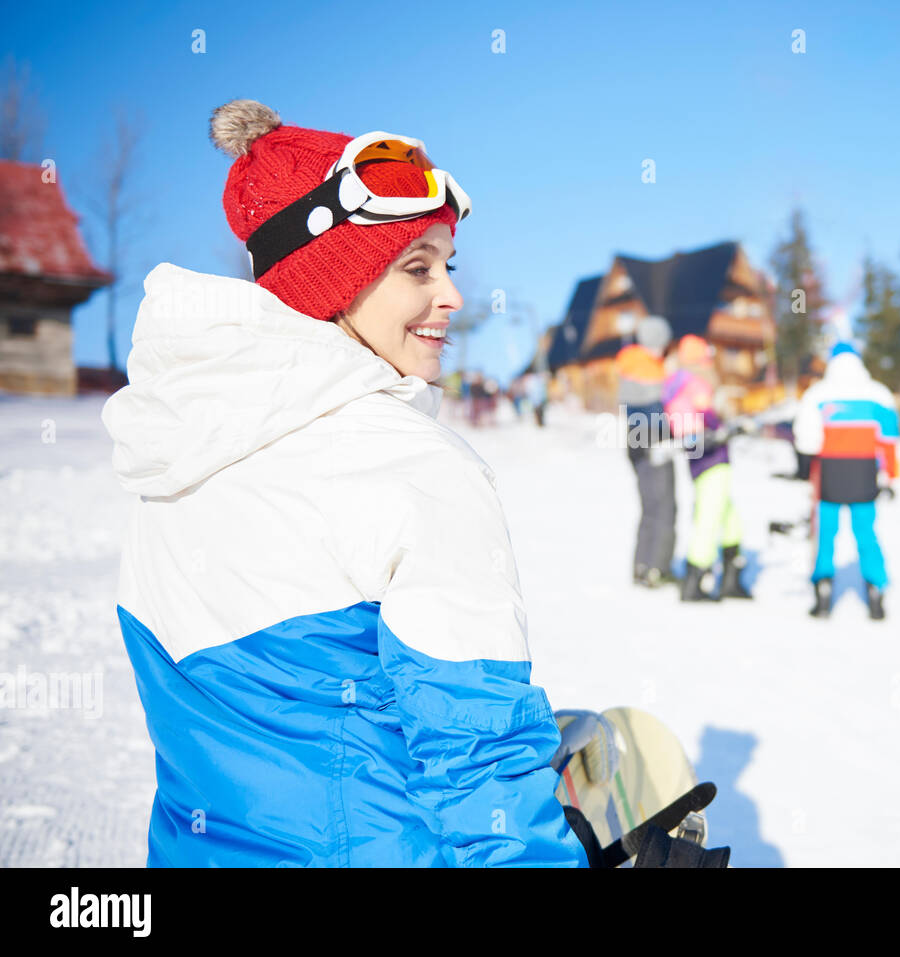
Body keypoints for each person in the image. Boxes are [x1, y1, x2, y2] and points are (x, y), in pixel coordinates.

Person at [99, 99, 585, 867]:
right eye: (416, 268)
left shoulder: (168, 460)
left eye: (447, 267)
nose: (452, 295)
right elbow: (481, 771)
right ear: (330, 283)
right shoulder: (420, 469)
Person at [792, 341, 899, 621]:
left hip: (829, 473)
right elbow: (888, 441)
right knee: (866, 534)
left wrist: (805, 471)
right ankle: (875, 590)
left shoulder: (818, 394)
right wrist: (889, 478)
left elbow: (806, 437)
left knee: (825, 534)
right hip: (865, 474)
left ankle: (823, 592)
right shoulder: (879, 394)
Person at [663, 334, 752, 601]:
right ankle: (694, 581)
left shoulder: (675, 385)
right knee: (709, 517)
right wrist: (726, 426)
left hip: (701, 459)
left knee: (729, 518)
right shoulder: (696, 383)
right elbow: (705, 420)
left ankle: (731, 580)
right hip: (713, 459)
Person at [615, 316, 677, 587]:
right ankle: (658, 568)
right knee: (665, 506)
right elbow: (660, 410)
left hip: (635, 441)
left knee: (648, 505)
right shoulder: (654, 369)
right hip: (656, 440)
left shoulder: (628, 362)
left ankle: (641, 565)